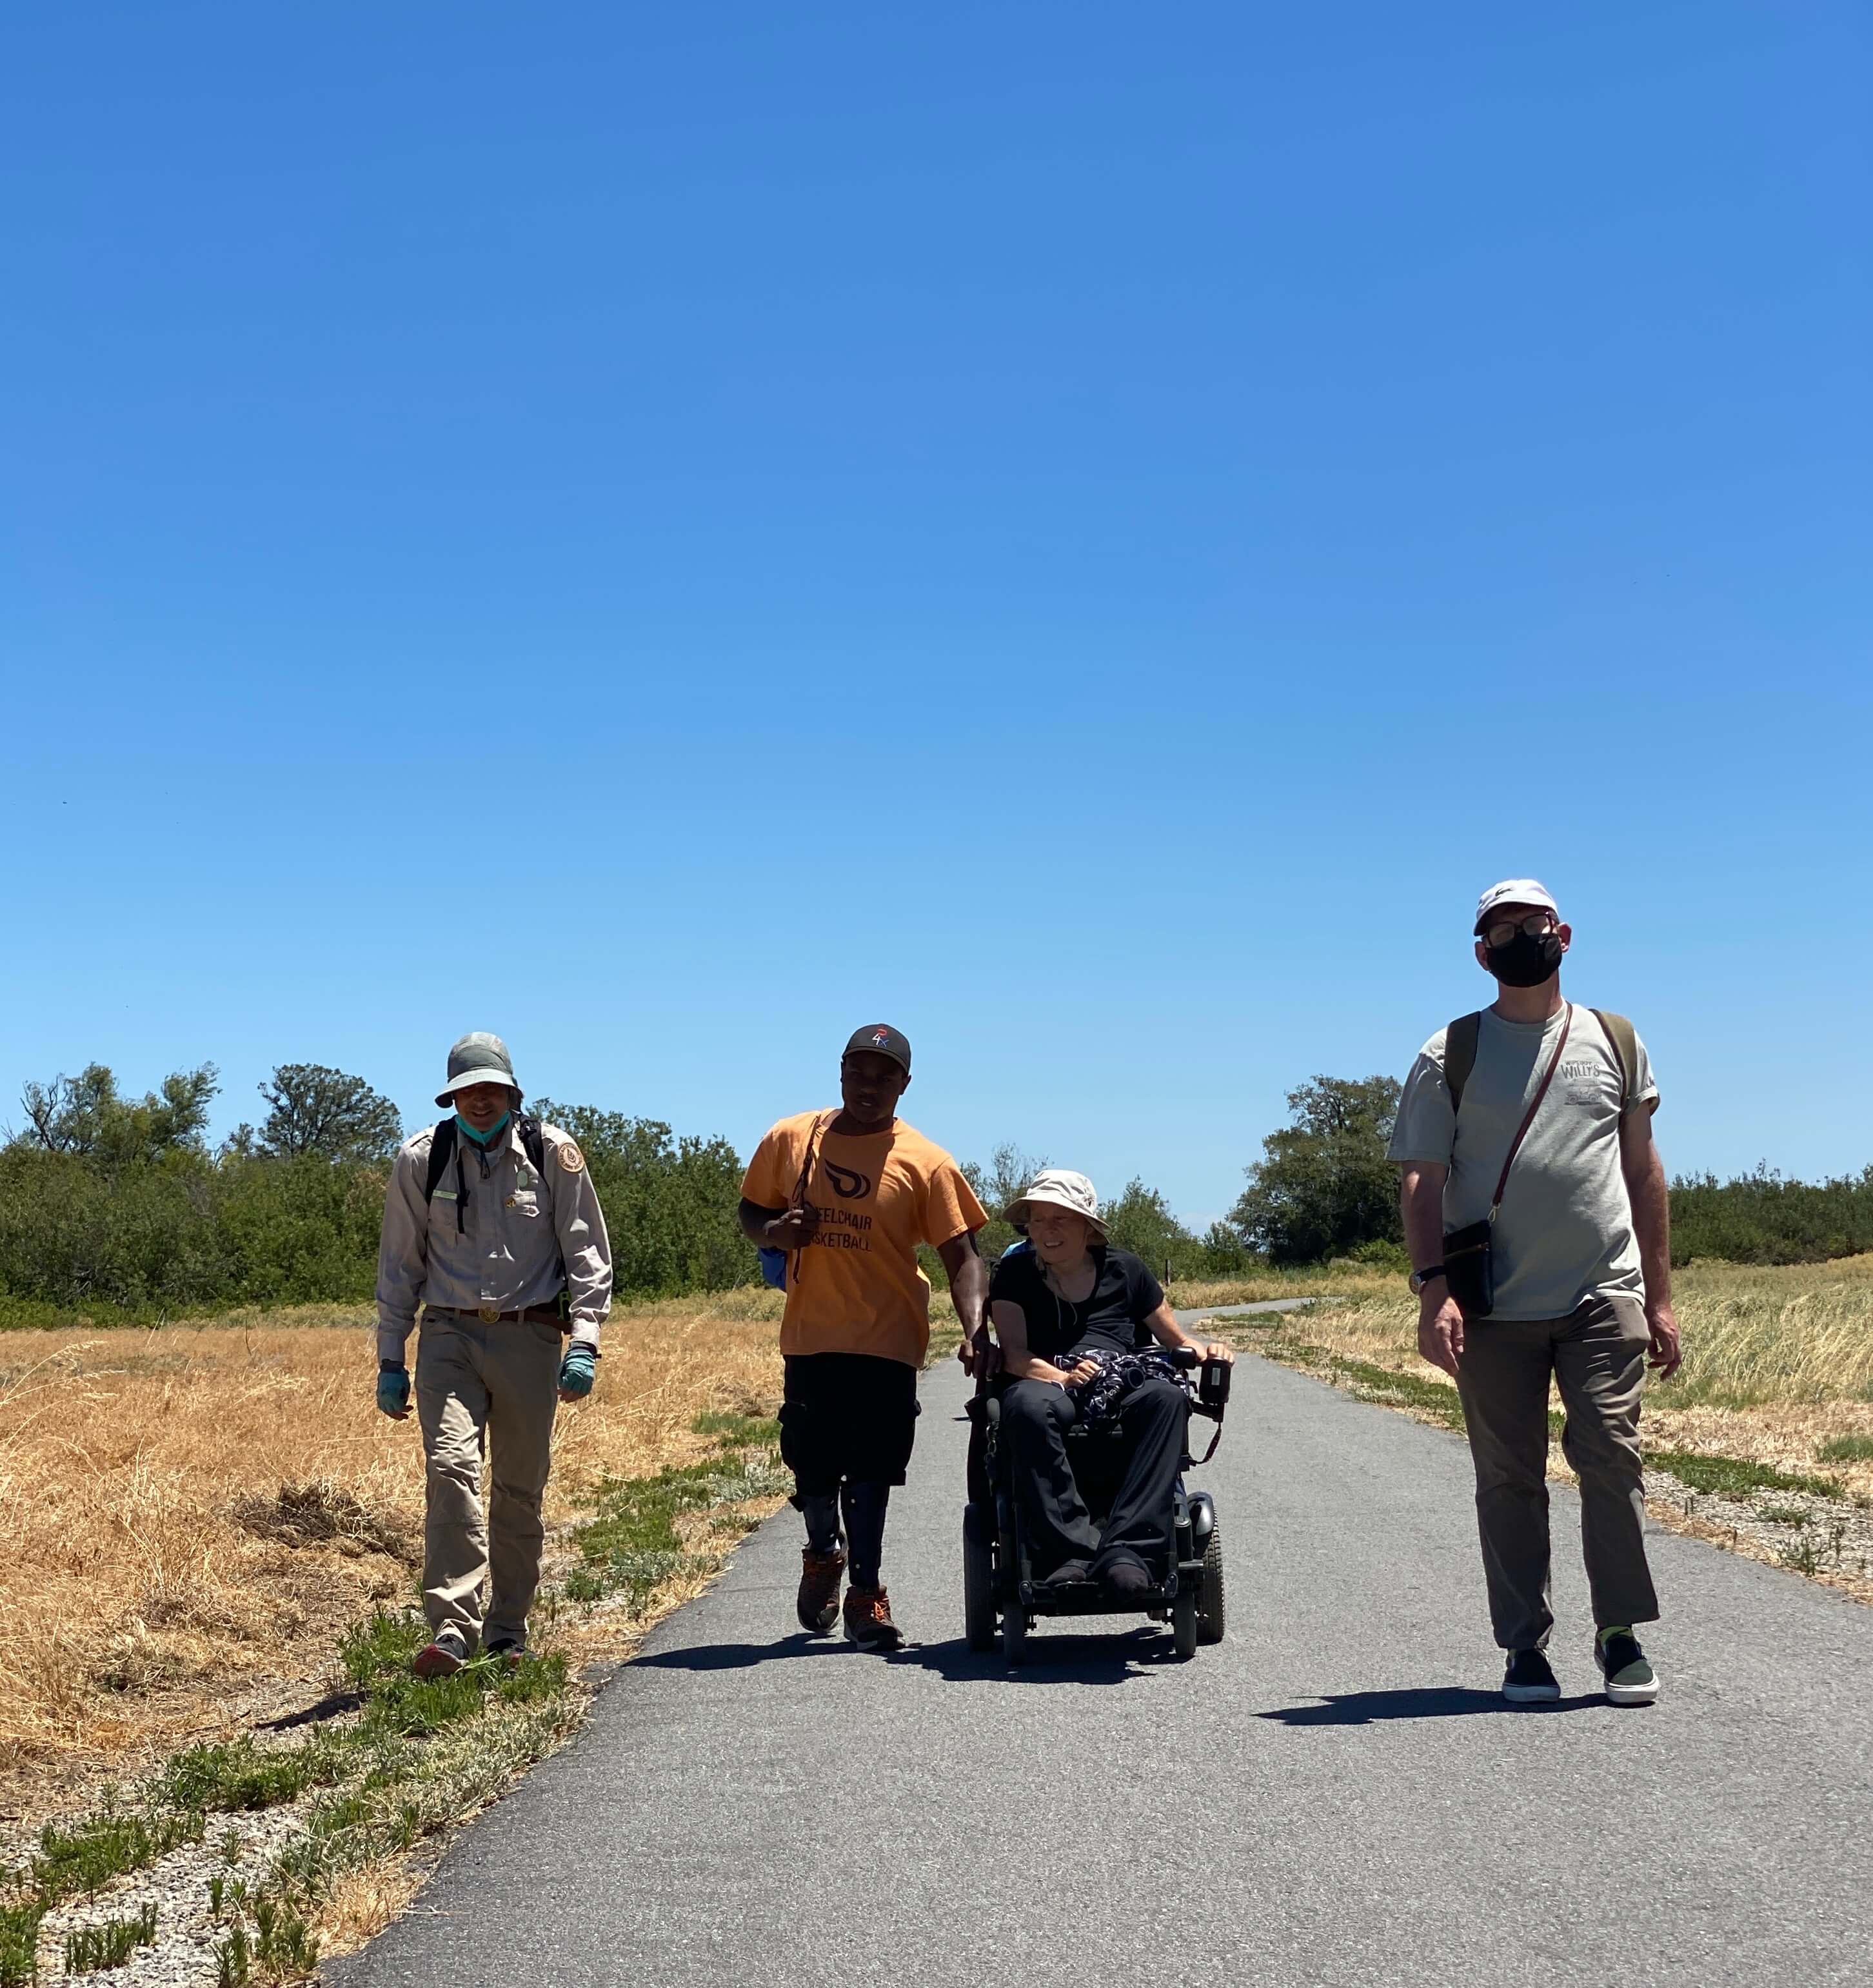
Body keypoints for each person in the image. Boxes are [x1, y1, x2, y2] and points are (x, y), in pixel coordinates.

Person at [1389, 880, 1681, 1706]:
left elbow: (1643, 1170)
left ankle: (1619, 1633)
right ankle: (1525, 1647)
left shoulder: (1614, 1041)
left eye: (1533, 923)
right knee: (1508, 1477)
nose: (1520, 936)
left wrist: (1659, 1299)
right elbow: (1422, 1178)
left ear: (1565, 934)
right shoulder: (1450, 1053)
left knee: (1612, 1462)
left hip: (1603, 1290)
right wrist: (1432, 1291)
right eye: (1501, 929)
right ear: (1481, 953)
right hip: (1490, 1304)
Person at [738, 1024, 989, 1651]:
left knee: (873, 1471)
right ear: (841, 1069)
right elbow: (750, 1211)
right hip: (811, 1334)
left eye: (885, 1076)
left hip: (889, 1338)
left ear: (905, 1084)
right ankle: (824, 1549)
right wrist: (776, 1233)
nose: (869, 1086)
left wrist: (977, 1328)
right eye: (859, 1070)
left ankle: (867, 1593)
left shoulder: (926, 1162)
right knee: (813, 1464)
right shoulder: (793, 1138)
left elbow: (964, 1255)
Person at [376, 1032, 614, 1678]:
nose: (480, 1100)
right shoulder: (421, 1159)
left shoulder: (553, 1153)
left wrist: (585, 1343)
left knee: (517, 1488)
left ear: (512, 1092)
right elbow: (399, 1266)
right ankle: (453, 1627)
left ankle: (508, 1629)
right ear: (452, 1097)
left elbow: (589, 1256)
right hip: (449, 1334)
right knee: (450, 1468)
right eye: (467, 1090)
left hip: (529, 1336)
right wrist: (390, 1358)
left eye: (491, 1089)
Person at [987, 1169, 1233, 1602]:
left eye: (1060, 1219)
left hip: (1120, 1379)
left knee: (1166, 1397)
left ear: (1087, 1225)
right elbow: (1014, 1354)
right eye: (1039, 1220)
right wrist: (1062, 1376)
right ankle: (1071, 1552)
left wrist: (1209, 1351)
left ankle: (1129, 1552)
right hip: (1047, 1377)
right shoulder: (1014, 1273)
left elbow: (1177, 1340)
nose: (1048, 1230)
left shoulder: (1126, 1270)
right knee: (1025, 1405)